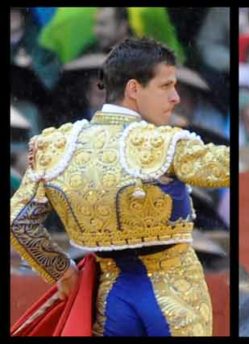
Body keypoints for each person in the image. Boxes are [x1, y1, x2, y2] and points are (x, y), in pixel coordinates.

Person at [10, 37, 230, 336]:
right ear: (134, 89)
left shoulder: (57, 147)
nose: (176, 97)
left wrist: (62, 272)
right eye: (166, 86)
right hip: (175, 292)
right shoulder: (162, 142)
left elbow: (18, 222)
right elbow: (226, 167)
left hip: (111, 298)